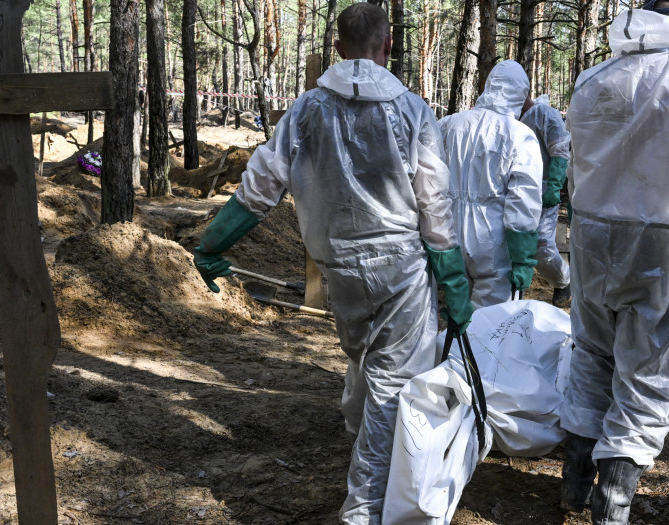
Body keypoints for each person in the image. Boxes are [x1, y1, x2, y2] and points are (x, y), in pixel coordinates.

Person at [190, 4, 473, 524]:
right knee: (391, 385)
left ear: (338, 49)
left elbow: (260, 186)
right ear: (388, 47)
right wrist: (452, 279)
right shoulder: (413, 111)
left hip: (338, 267)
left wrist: (213, 244)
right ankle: (363, 510)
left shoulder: (306, 109)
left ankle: (366, 448)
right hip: (401, 270)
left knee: (368, 364)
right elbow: (435, 203)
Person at [559, 0, 669, 523]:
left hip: (590, 233)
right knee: (649, 370)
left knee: (591, 353)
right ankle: (611, 506)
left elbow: (577, 160)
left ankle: (573, 483)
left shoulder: (594, 76)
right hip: (660, 239)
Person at [438, 60, 543, 308]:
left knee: (456, 314)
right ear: (520, 93)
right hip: (493, 238)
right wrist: (523, 258)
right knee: (490, 320)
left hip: (448, 230)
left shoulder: (449, 123)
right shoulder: (518, 134)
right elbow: (524, 199)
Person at [519, 93, 572, 307]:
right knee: (515, 243)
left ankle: (563, 282)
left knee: (542, 244)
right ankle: (515, 296)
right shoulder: (511, 116)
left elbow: (559, 149)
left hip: (543, 190)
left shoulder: (544, 114)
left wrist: (554, 185)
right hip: (517, 190)